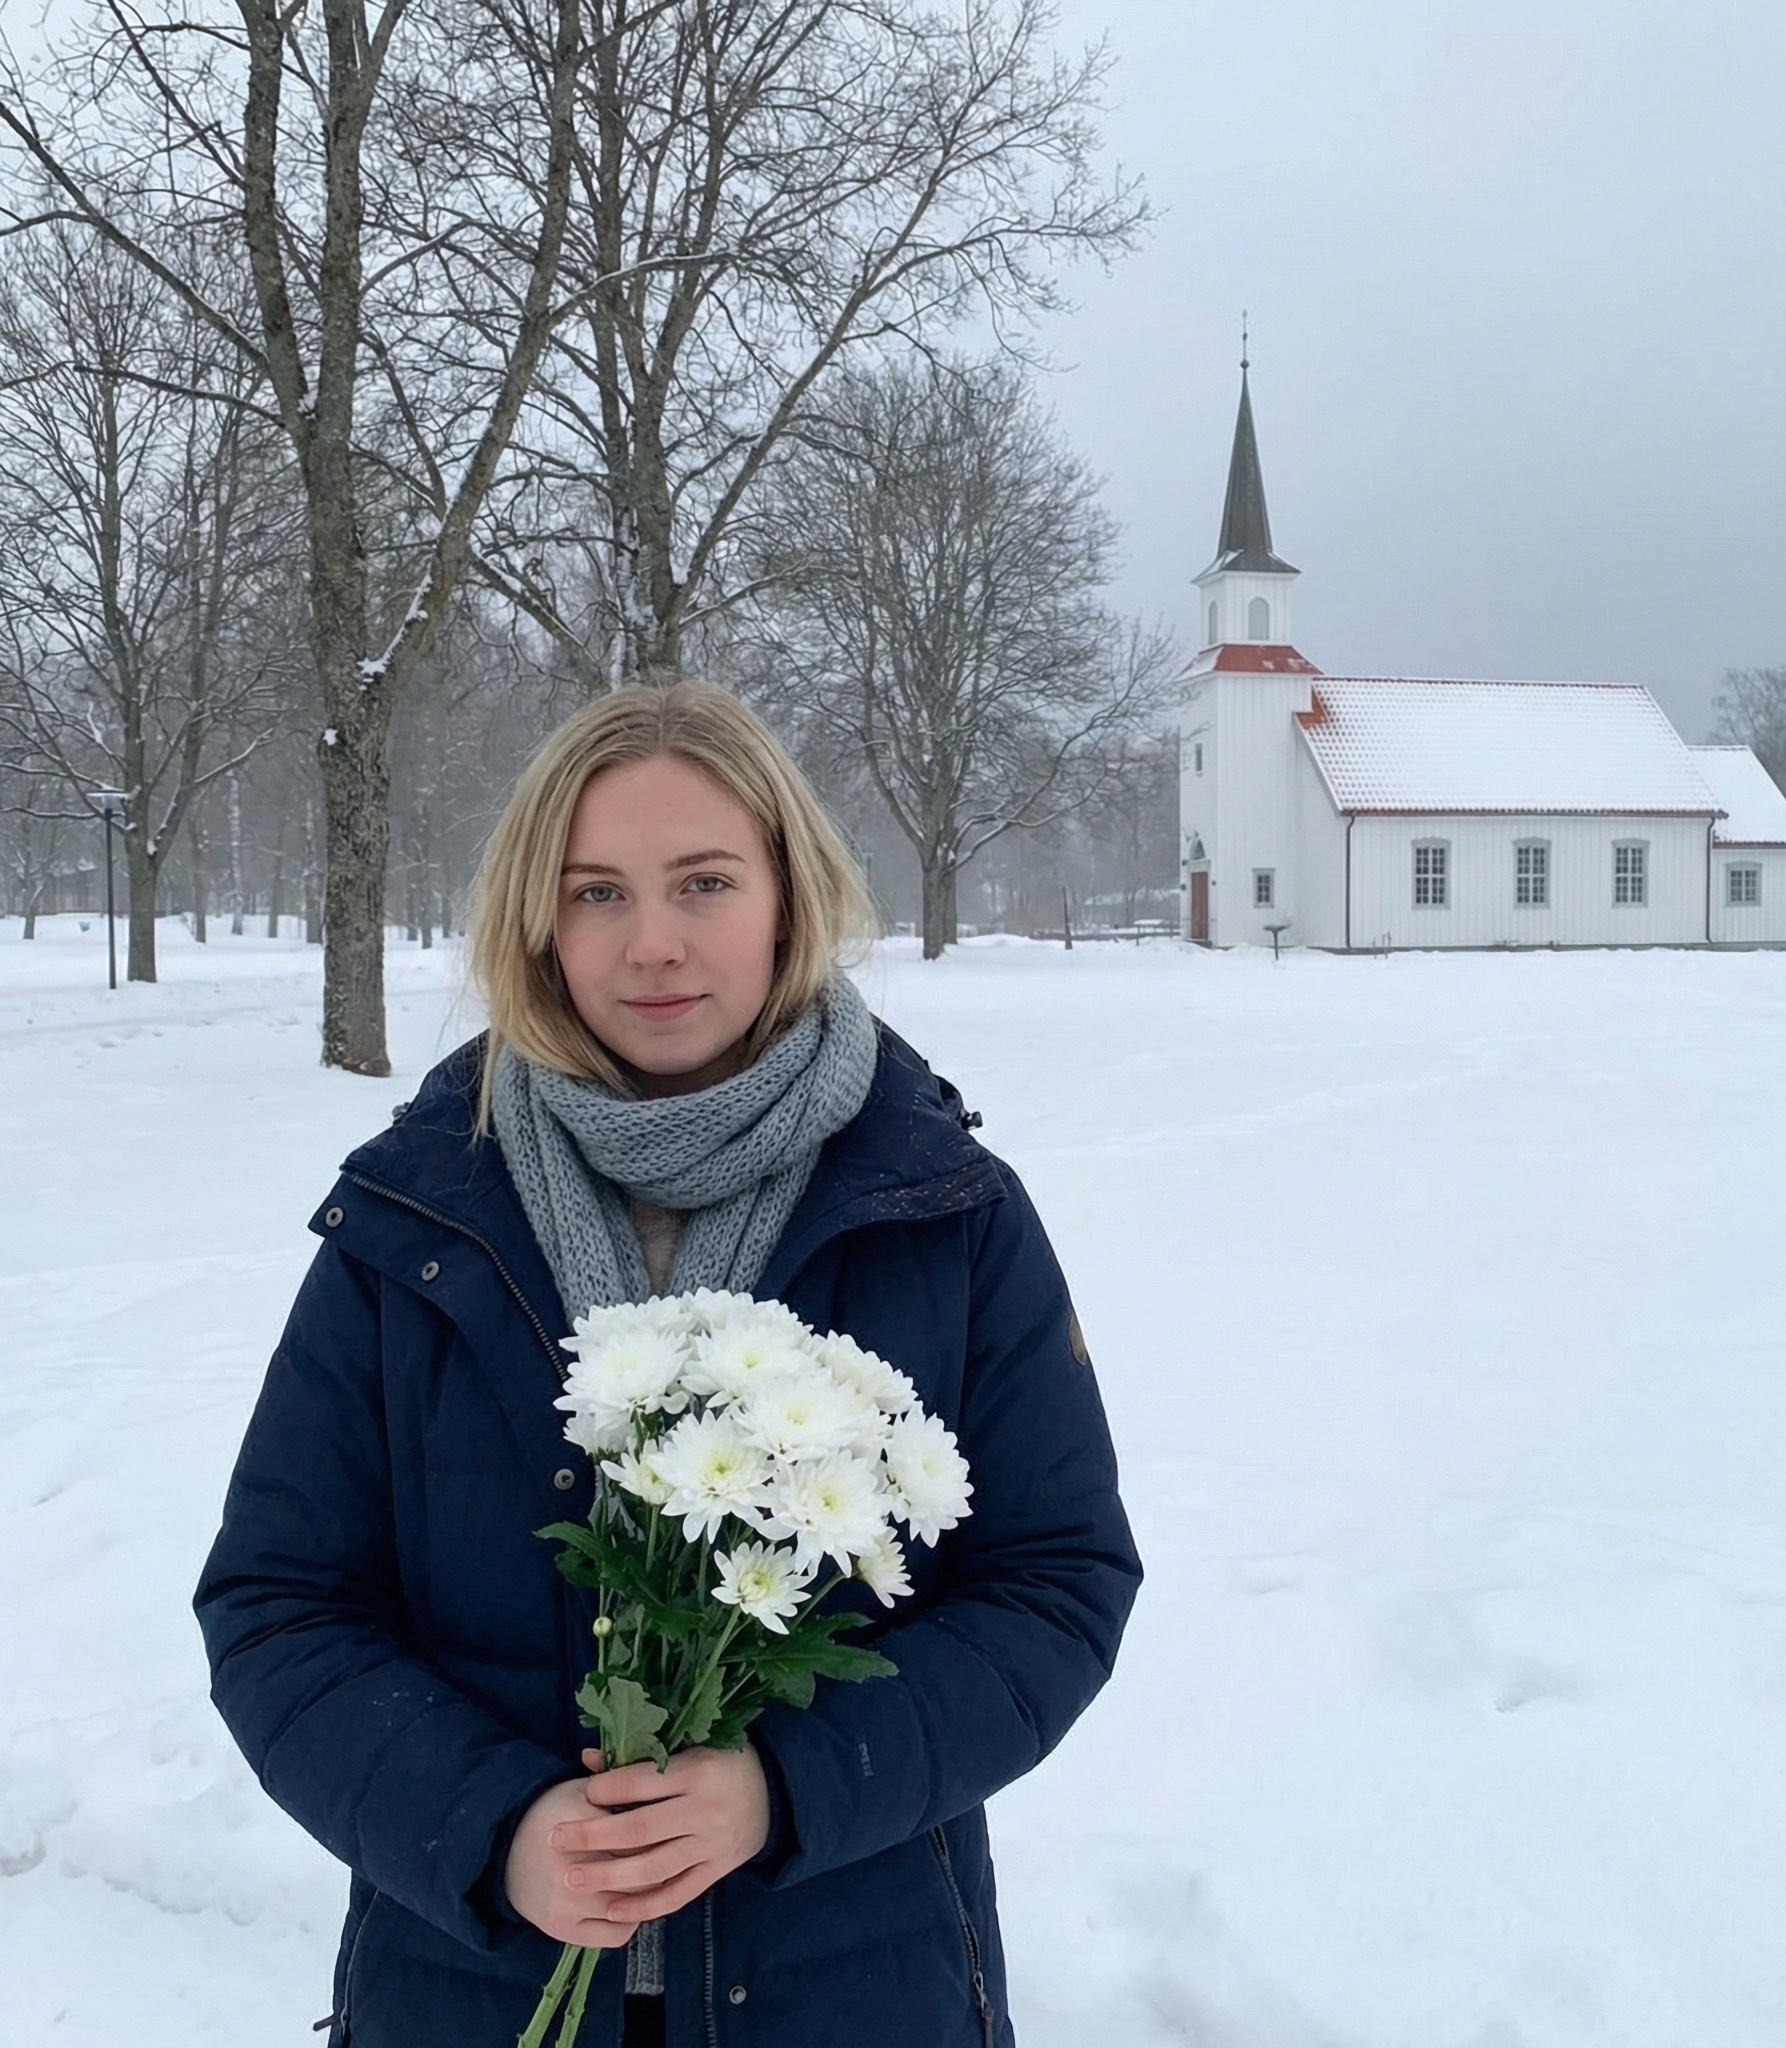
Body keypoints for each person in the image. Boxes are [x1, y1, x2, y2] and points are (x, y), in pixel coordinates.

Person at [195, 682, 1141, 2048]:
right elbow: (278, 1605)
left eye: (704, 882)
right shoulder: (414, 1222)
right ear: (539, 921)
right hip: (469, 1995)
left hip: (852, 1989)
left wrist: (789, 1791)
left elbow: (1058, 1583)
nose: (653, 945)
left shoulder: (943, 1210)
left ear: (787, 894)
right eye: (595, 894)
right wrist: (493, 1830)